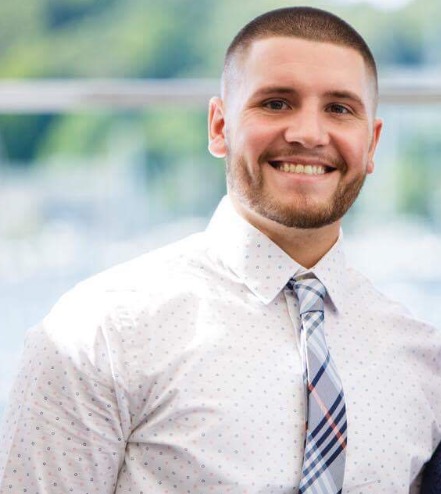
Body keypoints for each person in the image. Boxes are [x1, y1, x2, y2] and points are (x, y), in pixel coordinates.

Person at [1, 6, 440, 493]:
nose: (309, 133)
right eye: (276, 103)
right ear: (218, 126)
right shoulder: (99, 333)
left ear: (372, 142)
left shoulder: (422, 360)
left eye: (340, 108)